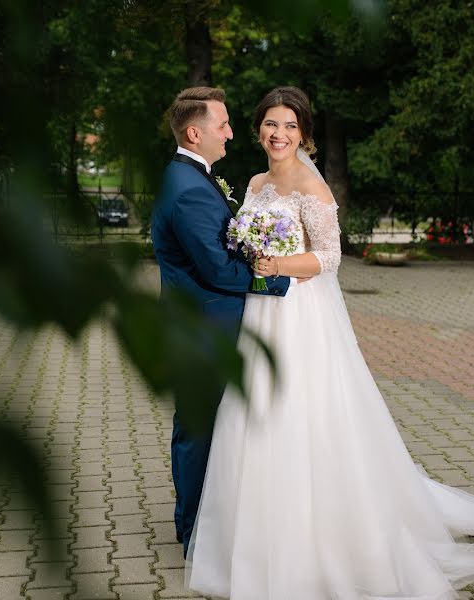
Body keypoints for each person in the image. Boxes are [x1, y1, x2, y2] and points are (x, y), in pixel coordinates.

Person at [185, 86, 474, 599]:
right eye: (270, 124)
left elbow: (330, 257)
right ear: (258, 129)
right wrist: (249, 258)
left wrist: (279, 264)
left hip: (302, 315)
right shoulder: (255, 180)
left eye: (289, 125)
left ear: (303, 133)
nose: (278, 134)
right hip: (262, 313)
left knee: (304, 414)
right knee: (255, 414)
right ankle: (253, 540)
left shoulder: (314, 187)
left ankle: (323, 542)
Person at [150, 86, 292, 557]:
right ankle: (192, 534)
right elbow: (217, 268)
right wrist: (274, 280)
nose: (232, 133)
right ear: (195, 133)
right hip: (203, 330)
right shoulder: (190, 189)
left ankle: (203, 523)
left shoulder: (194, 177)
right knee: (198, 430)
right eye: (223, 125)